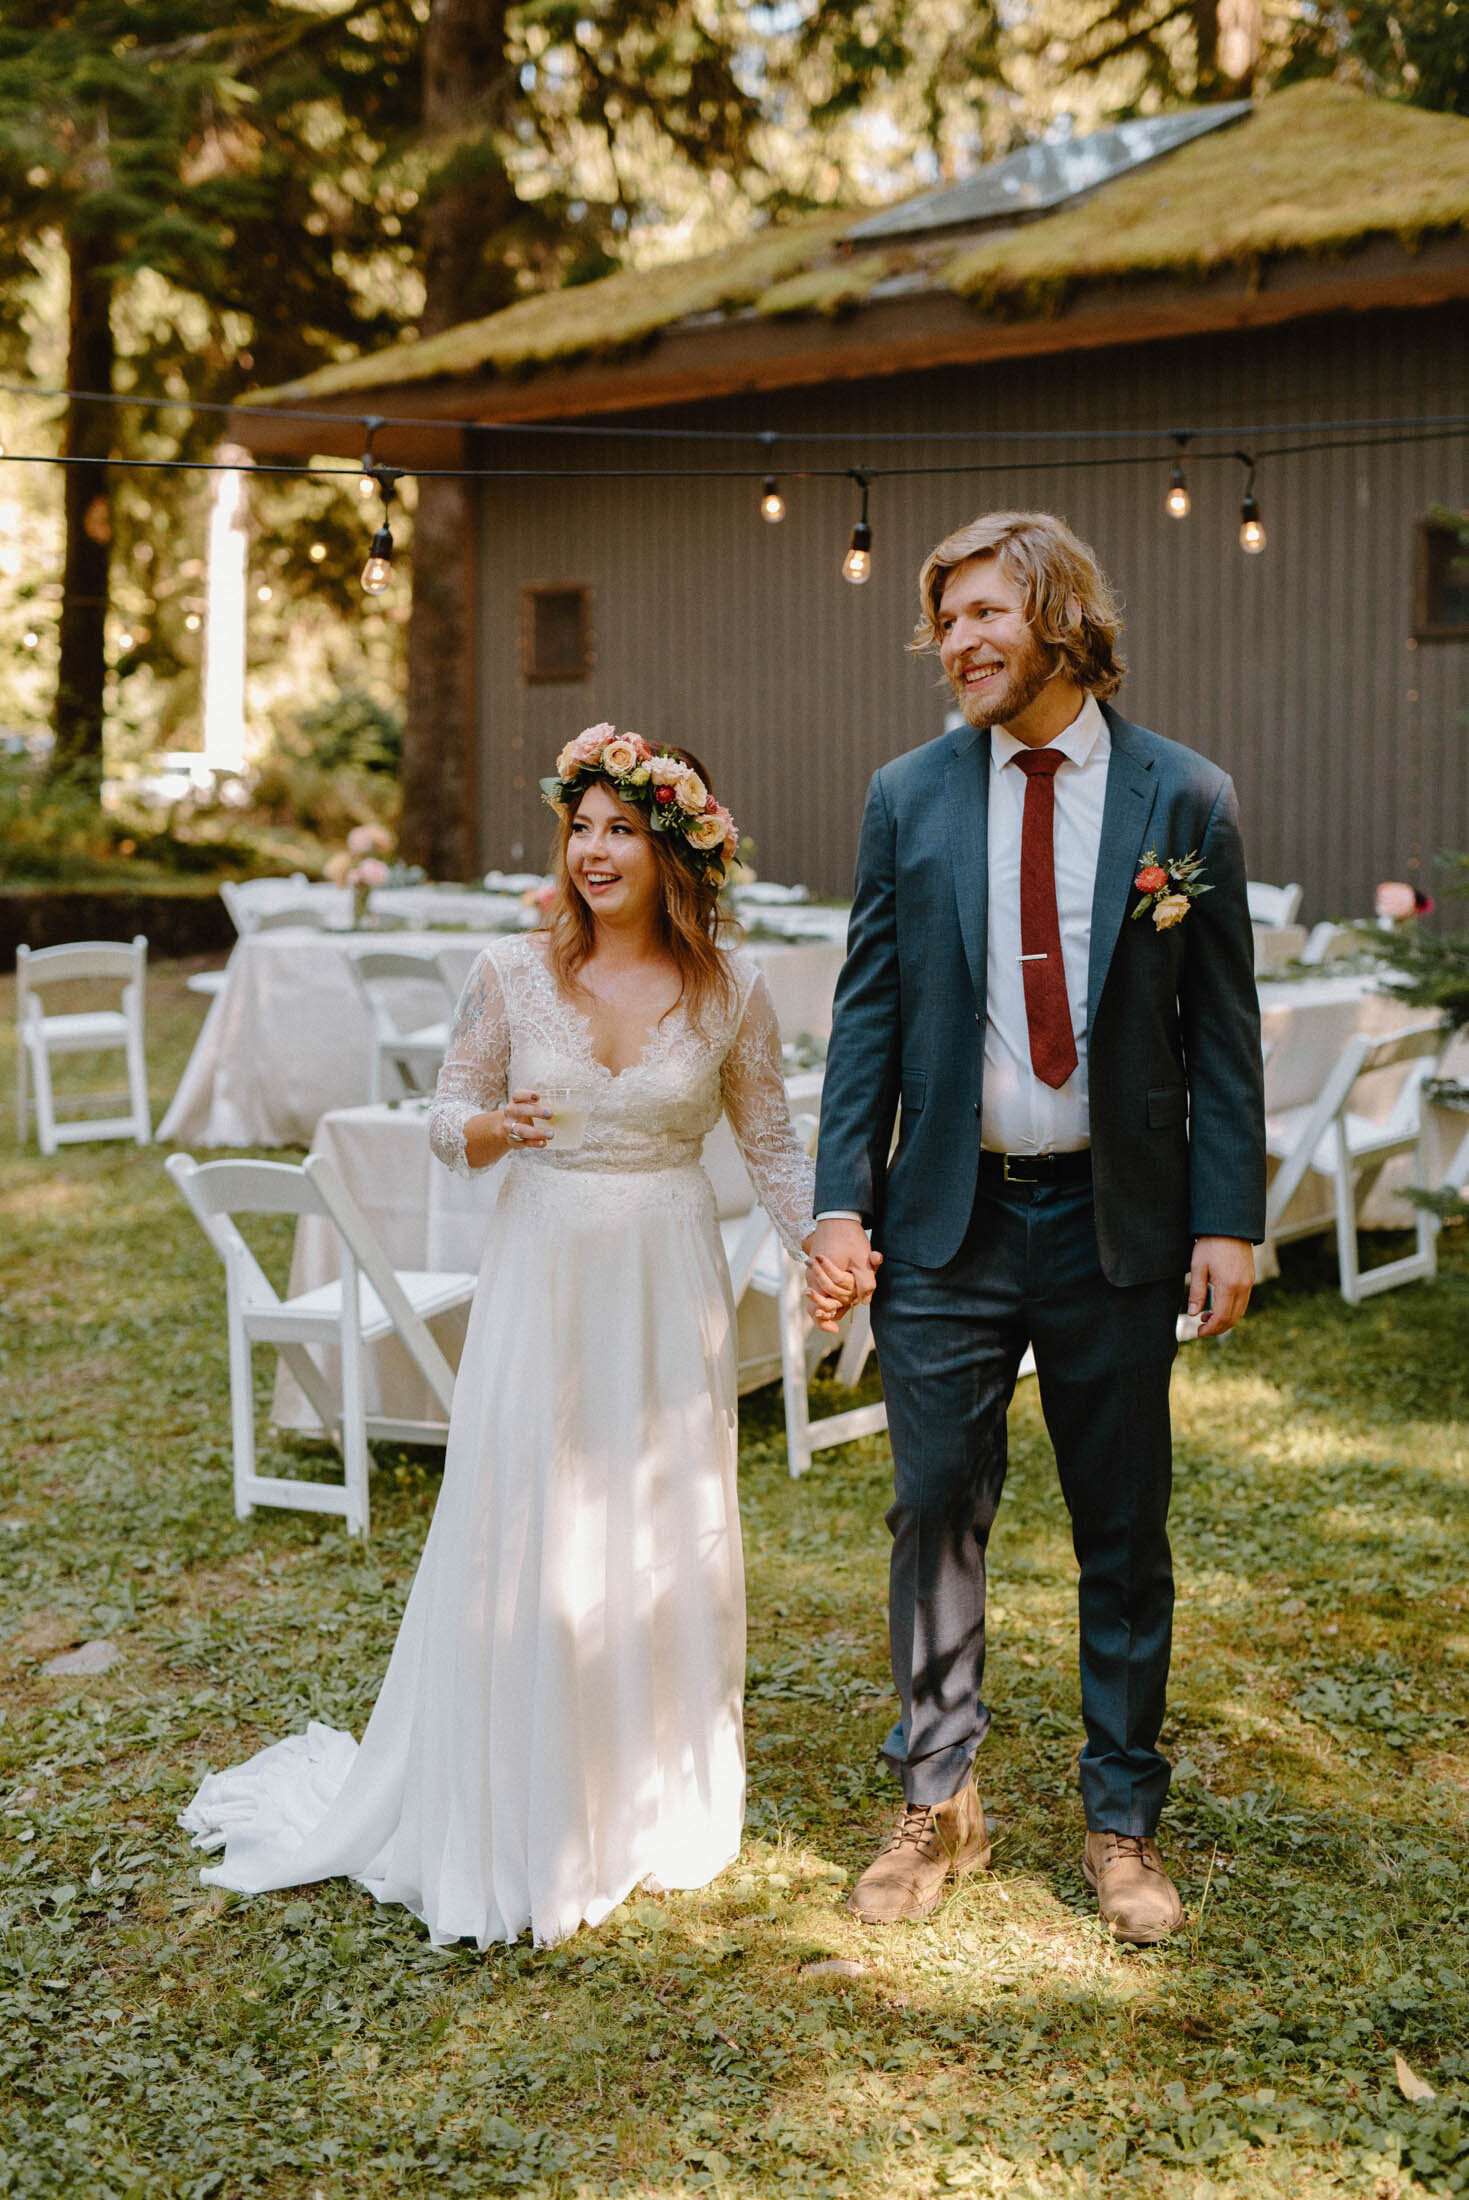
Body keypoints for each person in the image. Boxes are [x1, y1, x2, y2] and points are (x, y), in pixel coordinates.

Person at [182, 727, 839, 1948]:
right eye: (580, 827)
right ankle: (526, 1791)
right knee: (531, 1509)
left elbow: (769, 1147)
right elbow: (443, 1116)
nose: (593, 851)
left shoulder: (729, 989)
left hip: (663, 1271)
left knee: (657, 1519)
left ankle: (649, 1793)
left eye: (621, 830)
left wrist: (827, 1245)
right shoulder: (508, 969)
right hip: (543, 1270)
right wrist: (492, 1130)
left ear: (676, 849)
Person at [807, 511, 1266, 1942]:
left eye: (987, 614)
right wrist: (839, 1199)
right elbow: (865, 1010)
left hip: (1117, 1227)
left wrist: (1228, 1218)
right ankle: (933, 1800)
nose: (961, 643)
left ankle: (1121, 1822)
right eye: (946, 622)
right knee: (932, 1508)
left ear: (1061, 615)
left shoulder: (1182, 800)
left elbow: (1223, 1031)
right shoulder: (909, 795)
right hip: (946, 1223)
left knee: (1122, 1533)